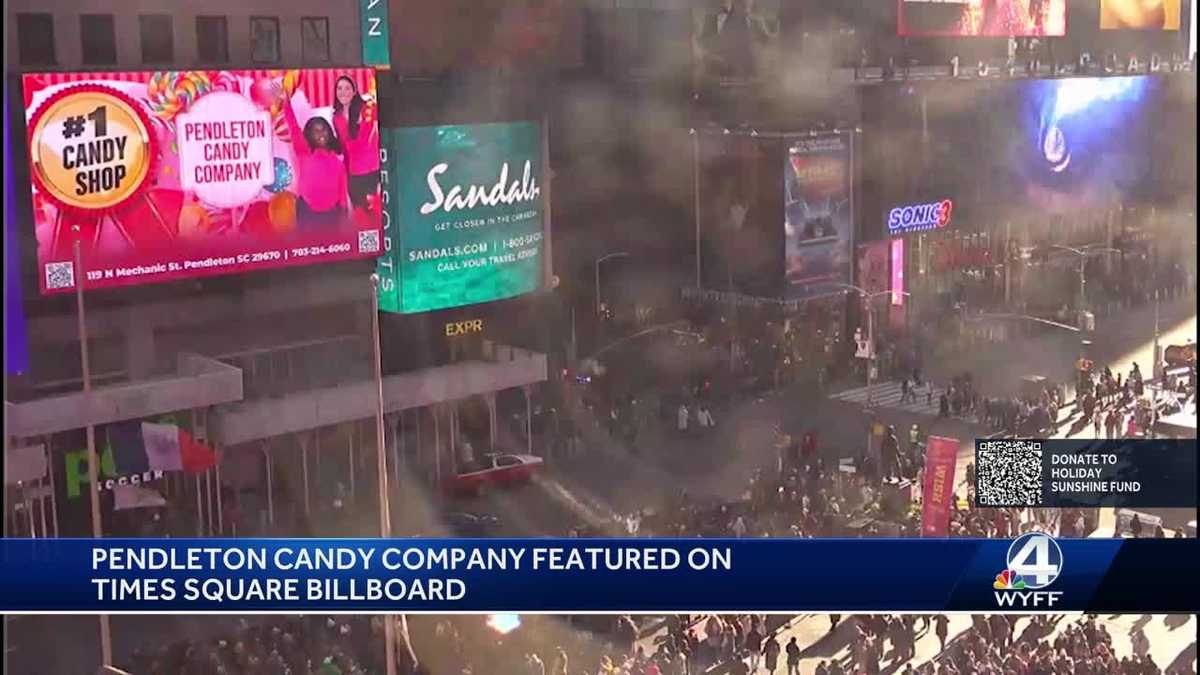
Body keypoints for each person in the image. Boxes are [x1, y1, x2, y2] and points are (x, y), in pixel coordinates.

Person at [280, 87, 349, 231]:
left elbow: (342, 191)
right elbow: (293, 127)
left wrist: (343, 214)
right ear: (309, 135)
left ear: (329, 132)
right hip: (307, 212)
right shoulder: (304, 152)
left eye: (323, 129)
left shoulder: (338, 160)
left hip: (332, 214)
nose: (321, 133)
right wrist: (286, 103)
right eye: (316, 131)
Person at [331, 75, 380, 211]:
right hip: (354, 174)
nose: (343, 92)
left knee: (376, 212)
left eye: (347, 88)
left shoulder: (366, 109)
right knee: (361, 215)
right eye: (339, 88)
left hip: (372, 169)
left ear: (354, 91)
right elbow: (343, 147)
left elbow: (368, 140)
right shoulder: (337, 117)